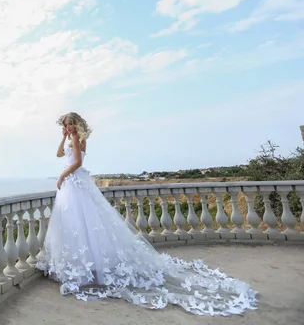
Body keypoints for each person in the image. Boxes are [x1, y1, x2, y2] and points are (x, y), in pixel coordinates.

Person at [36, 112, 257, 316]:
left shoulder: (79, 140)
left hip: (73, 181)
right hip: (74, 184)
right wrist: (62, 138)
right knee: (78, 223)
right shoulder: (72, 138)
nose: (68, 127)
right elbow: (58, 153)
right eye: (66, 125)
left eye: (70, 124)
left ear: (77, 124)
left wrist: (62, 176)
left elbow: (77, 162)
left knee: (81, 221)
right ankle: (87, 267)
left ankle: (86, 270)